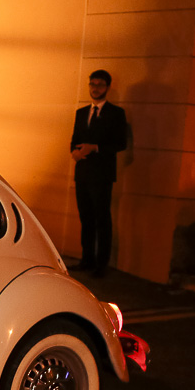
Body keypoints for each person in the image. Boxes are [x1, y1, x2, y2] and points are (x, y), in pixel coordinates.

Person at [70, 69, 128, 278]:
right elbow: (74, 139)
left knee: (102, 218)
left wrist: (95, 147)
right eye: (92, 84)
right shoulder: (81, 112)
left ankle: (101, 264)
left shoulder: (116, 114)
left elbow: (121, 143)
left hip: (102, 174)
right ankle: (87, 259)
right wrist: (74, 153)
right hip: (83, 172)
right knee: (85, 217)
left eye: (100, 85)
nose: (95, 88)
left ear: (108, 87)